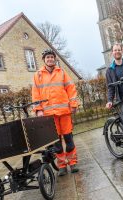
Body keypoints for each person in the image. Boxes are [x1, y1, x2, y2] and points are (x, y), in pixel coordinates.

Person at [32, 48, 79, 176]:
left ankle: (73, 163)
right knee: (57, 144)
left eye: (52, 57)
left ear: (55, 59)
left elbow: (71, 89)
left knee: (69, 140)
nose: (50, 59)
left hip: (64, 112)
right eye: (48, 57)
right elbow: (35, 94)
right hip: (49, 115)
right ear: (44, 60)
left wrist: (73, 104)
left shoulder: (62, 73)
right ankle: (62, 165)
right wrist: (38, 110)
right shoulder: (38, 75)